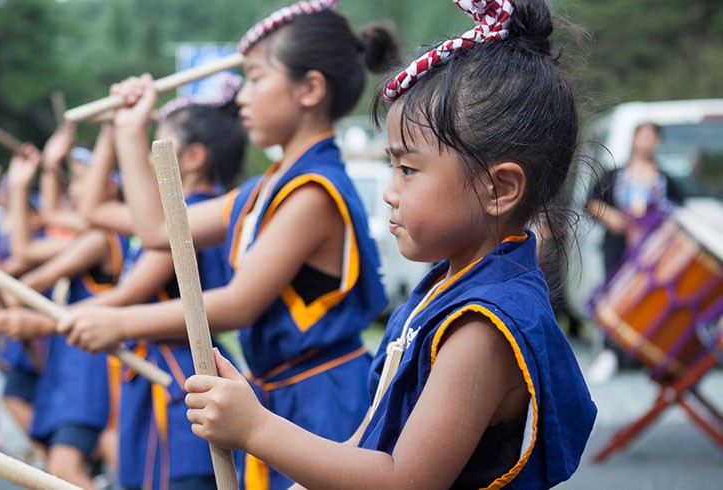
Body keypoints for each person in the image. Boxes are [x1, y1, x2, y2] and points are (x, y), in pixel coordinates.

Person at [182, 1, 597, 488]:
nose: (389, 192)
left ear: (500, 188)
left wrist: (256, 428)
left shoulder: (483, 327)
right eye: (391, 166)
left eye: (408, 169)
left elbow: (403, 481)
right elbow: (366, 442)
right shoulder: (445, 288)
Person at [59, 2, 396, 488]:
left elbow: (239, 304)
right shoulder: (266, 189)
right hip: (281, 396)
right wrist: (132, 132)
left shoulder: (313, 192)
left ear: (310, 88)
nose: (242, 96)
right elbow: (157, 228)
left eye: (256, 78)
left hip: (323, 401)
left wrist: (119, 321)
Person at [587, 122, 685, 277]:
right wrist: (609, 215)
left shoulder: (665, 180)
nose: (647, 141)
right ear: (634, 139)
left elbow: (679, 210)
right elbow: (591, 202)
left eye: (651, 137)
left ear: (657, 142)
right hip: (617, 246)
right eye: (643, 136)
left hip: (653, 249)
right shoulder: (614, 175)